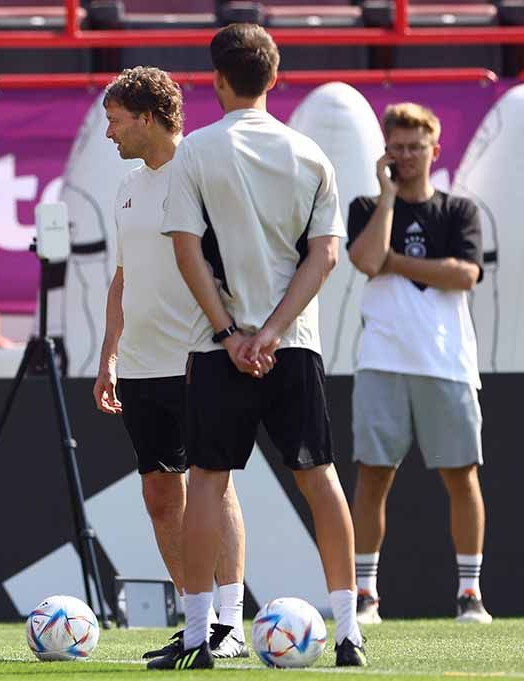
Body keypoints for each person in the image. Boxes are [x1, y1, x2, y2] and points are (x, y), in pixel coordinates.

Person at [148, 23, 367, 670]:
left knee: (207, 482)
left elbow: (187, 251)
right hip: (293, 345)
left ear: (217, 80)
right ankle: (350, 632)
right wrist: (271, 333)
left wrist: (230, 333)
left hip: (220, 349)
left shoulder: (195, 152)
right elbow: (325, 255)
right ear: (274, 78)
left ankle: (196, 638)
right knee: (320, 479)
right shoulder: (310, 154)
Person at [91, 66, 248, 660]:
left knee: (214, 488)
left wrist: (220, 339)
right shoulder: (126, 187)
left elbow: (233, 268)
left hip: (199, 360)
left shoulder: (206, 173)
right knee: (161, 497)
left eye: (116, 121)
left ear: (149, 118)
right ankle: (196, 619)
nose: (110, 134)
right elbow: (123, 278)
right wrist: (108, 355)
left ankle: (228, 626)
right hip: (138, 366)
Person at [346, 103, 490, 625]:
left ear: (435, 146)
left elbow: (464, 275)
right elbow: (364, 260)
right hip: (382, 360)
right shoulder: (367, 206)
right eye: (397, 147)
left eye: (415, 146)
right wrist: (387, 196)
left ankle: (470, 593)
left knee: (461, 475)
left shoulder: (459, 212)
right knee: (373, 476)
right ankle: (365, 595)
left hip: (447, 362)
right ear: (386, 150)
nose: (406, 156)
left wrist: (396, 264)